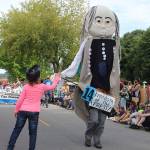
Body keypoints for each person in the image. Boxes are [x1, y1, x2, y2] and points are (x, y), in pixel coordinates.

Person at [7, 65, 60, 150]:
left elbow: (20, 99)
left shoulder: (26, 87)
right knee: (33, 133)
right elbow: (53, 86)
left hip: (23, 111)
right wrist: (57, 78)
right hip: (34, 112)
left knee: (16, 130)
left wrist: (16, 110)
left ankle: (10, 148)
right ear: (37, 78)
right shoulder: (42, 86)